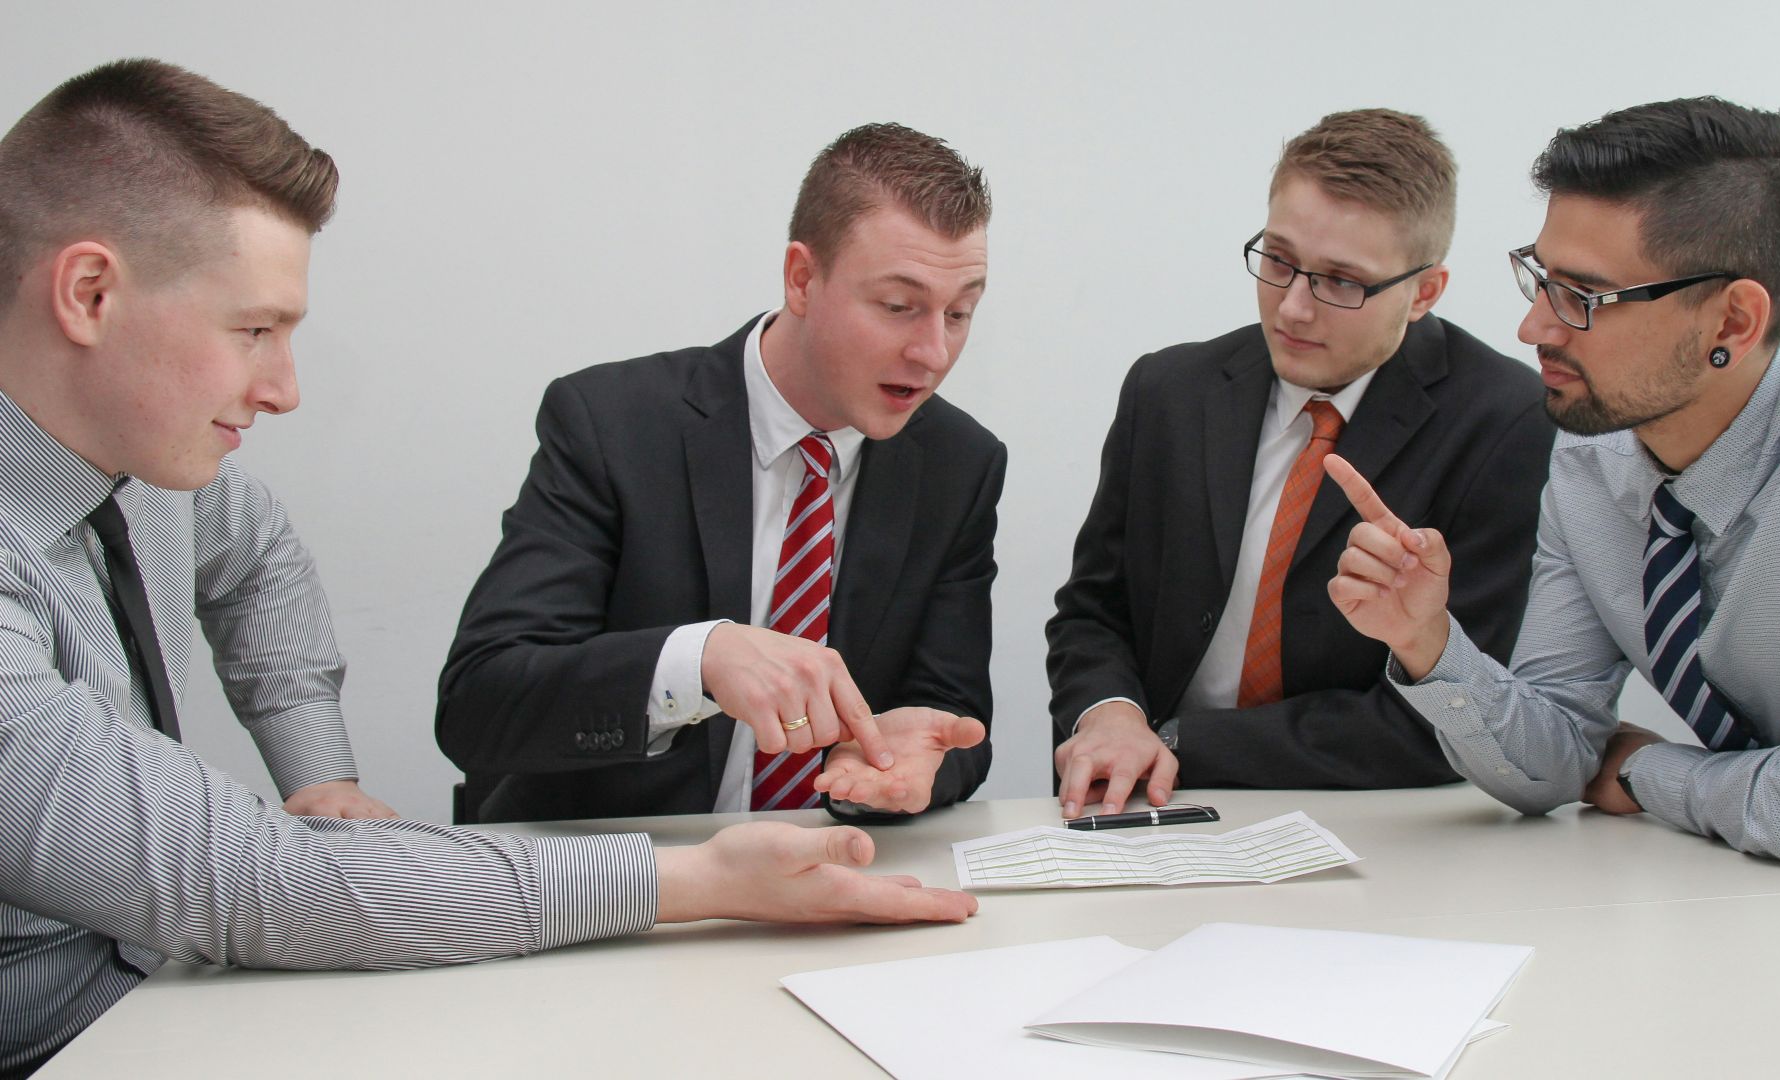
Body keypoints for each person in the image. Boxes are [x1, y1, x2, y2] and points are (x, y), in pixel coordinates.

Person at [0, 59, 975, 1078]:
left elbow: (260, 564)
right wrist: (694, 878)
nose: (285, 389)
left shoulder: (153, 467)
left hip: (169, 993)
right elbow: (250, 882)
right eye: (254, 330)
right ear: (90, 293)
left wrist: (319, 774)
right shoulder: (611, 421)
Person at [1326, 96, 1780, 871]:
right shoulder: (1593, 457)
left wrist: (1644, 771)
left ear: (1733, 324)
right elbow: (1555, 762)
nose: (1534, 328)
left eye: (1582, 298)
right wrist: (1429, 642)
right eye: (1539, 279)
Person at [437, 123, 1003, 823]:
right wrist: (696, 660)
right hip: (621, 883)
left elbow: (953, 716)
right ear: (802, 278)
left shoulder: (959, 464)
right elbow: (480, 702)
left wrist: (919, 764)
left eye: (961, 312)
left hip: (830, 877)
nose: (933, 351)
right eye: (898, 307)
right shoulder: (613, 424)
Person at [1046, 109, 1553, 818]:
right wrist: (1109, 717)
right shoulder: (1169, 390)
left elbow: (1453, 714)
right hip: (1148, 810)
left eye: (1341, 282)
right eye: (1279, 260)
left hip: (1381, 825)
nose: (1292, 308)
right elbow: (1093, 613)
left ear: (1425, 292)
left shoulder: (1506, 422)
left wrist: (1180, 741)